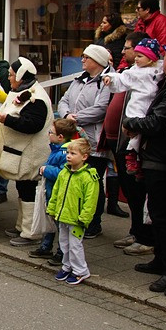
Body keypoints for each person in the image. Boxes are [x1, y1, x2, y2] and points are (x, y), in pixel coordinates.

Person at [122, 37, 166, 296]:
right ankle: (161, 259)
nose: (164, 59)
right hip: (154, 156)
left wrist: (131, 123)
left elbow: (158, 122)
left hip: (162, 159)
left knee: (161, 215)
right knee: (156, 214)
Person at [56, 43, 112, 239]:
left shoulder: (105, 82)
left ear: (97, 61)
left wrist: (76, 117)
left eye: (86, 57)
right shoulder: (79, 80)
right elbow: (63, 99)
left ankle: (94, 222)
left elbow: (101, 108)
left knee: (93, 184)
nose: (82, 60)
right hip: (74, 140)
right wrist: (66, 115)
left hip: (93, 142)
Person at [0, 57, 54, 245]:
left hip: (31, 156)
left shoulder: (37, 98)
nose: (9, 78)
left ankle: (31, 233)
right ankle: (22, 227)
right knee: (22, 190)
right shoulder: (22, 91)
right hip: (20, 153)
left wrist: (7, 120)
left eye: (12, 75)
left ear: (21, 76)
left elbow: (33, 125)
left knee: (29, 193)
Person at [101, 37, 162, 174]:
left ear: (151, 58)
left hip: (152, 107)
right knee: (135, 132)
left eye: (140, 56)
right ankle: (132, 156)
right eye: (136, 55)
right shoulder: (134, 71)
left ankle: (137, 159)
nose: (136, 59)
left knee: (142, 133)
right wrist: (110, 78)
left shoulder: (160, 69)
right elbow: (122, 78)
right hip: (138, 104)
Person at [46, 137, 100, 285]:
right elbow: (56, 192)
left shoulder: (88, 177)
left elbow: (91, 200)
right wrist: (52, 208)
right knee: (64, 243)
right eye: (68, 152)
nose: (68, 156)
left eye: (73, 153)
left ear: (84, 157)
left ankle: (80, 270)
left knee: (75, 245)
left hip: (77, 219)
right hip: (63, 215)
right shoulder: (64, 172)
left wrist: (85, 217)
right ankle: (67, 266)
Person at [29, 117, 79, 260]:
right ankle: (46, 246)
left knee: (59, 225)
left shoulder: (65, 153)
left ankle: (62, 252)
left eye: (51, 132)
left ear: (60, 137)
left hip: (58, 194)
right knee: (49, 221)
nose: (48, 135)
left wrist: (46, 170)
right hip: (50, 192)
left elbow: (63, 173)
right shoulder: (57, 149)